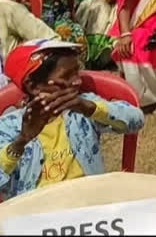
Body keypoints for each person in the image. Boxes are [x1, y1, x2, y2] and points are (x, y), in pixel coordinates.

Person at [0, 39, 144, 199]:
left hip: (88, 203)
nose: (78, 81)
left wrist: (90, 108)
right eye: (67, 76)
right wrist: (21, 140)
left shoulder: (82, 108)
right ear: (33, 86)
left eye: (77, 72)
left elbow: (136, 120)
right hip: (38, 213)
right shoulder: (9, 126)